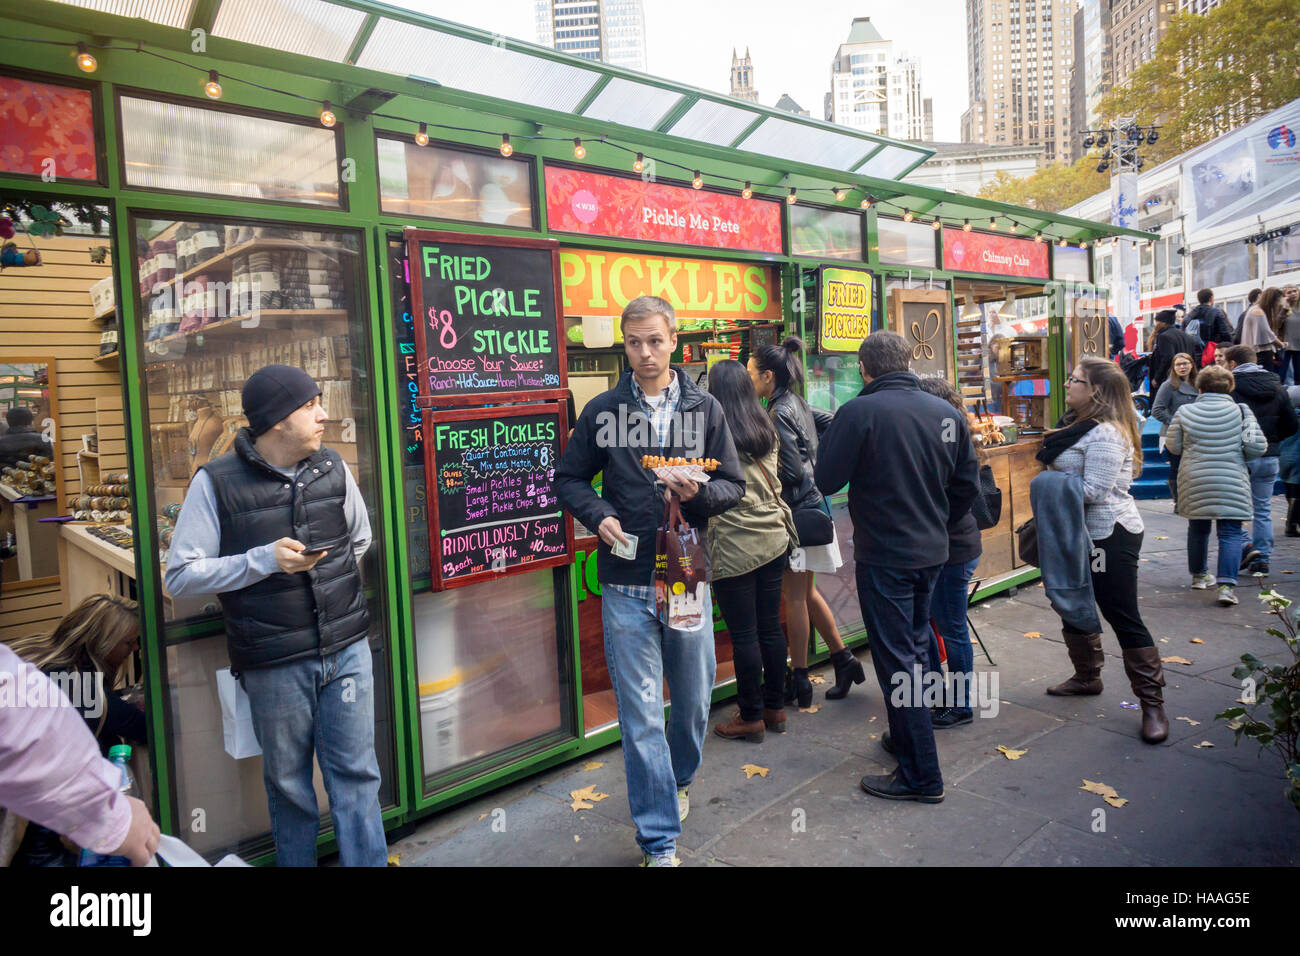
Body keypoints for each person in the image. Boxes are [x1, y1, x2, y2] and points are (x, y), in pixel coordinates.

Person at [165, 364, 386, 867]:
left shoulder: (333, 468)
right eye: (310, 405)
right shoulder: (215, 483)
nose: (323, 414)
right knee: (289, 787)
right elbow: (180, 576)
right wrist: (263, 561)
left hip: (347, 648)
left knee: (357, 777)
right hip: (275, 661)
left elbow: (360, 540)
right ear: (277, 420)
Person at [554, 295, 743, 867]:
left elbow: (732, 485)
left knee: (689, 704)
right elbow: (568, 478)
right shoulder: (605, 409)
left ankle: (679, 777)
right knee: (639, 714)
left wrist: (699, 494)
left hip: (685, 577)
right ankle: (659, 843)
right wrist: (599, 515)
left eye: (654, 341)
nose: (644, 353)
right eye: (633, 342)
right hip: (626, 581)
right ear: (624, 343)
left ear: (674, 340)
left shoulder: (705, 407)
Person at [815, 331, 979, 803]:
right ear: (908, 361)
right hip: (931, 552)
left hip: (885, 555)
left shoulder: (859, 412)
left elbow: (827, 478)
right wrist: (938, 520)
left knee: (897, 660)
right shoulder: (945, 412)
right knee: (915, 646)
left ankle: (922, 774)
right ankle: (908, 737)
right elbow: (967, 485)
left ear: (865, 370)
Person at [1041, 356, 1169, 743]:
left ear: (1095, 390)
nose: (1067, 384)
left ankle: (1152, 705)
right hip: (1072, 532)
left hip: (1107, 534)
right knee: (1072, 602)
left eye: (1074, 379)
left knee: (1121, 613)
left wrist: (1046, 485)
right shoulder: (1074, 425)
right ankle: (1086, 678)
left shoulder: (1107, 434)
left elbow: (1092, 492)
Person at [748, 338, 861, 705]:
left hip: (797, 513)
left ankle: (800, 678)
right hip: (813, 506)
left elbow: (792, 471)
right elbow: (834, 422)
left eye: (751, 372)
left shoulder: (778, 411)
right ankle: (843, 659)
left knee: (793, 597)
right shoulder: (795, 403)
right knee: (806, 593)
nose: (749, 378)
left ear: (767, 376)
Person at [5, 594, 146, 866]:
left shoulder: (38, 649)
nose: (135, 648)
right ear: (103, 644)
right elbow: (145, 729)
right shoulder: (83, 688)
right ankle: (43, 854)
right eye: (128, 642)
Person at [705, 359, 797, 743]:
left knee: (743, 633)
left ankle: (751, 715)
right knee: (770, 627)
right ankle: (775, 707)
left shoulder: (712, 432)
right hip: (773, 536)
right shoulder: (766, 425)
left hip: (734, 539)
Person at [1165, 364, 1266, 607]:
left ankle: (1199, 576)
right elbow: (1256, 447)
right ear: (1229, 387)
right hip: (1231, 479)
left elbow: (1173, 446)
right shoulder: (1242, 412)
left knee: (1198, 529)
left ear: (1200, 386)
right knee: (1230, 532)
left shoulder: (1185, 412)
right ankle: (1226, 586)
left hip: (1195, 478)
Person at [916, 377, 984, 727]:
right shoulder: (949, 431)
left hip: (954, 549)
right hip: (951, 545)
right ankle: (940, 694)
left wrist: (940, 521)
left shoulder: (945, 437)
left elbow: (964, 489)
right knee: (932, 622)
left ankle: (959, 705)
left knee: (951, 627)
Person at [1223, 344, 1299, 576]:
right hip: (1269, 455)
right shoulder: (1277, 386)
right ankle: (1262, 559)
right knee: (1263, 509)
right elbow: (1290, 424)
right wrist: (1272, 441)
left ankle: (1246, 546)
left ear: (1233, 364)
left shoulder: (1230, 387)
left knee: (1233, 508)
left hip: (1240, 456)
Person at [1150, 353, 1199, 501]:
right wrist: (1177, 422)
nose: (1182, 367)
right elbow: (1157, 410)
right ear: (1173, 367)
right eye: (1178, 364)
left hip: (1196, 433)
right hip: (1175, 434)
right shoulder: (1168, 385)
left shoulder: (1200, 383)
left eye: (1185, 363)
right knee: (1177, 468)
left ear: (1192, 365)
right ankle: (1179, 501)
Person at [1148, 309, 1201, 389]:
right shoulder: (1186, 336)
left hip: (1170, 379)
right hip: (1187, 378)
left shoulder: (1163, 336)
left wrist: (1157, 378)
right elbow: (1193, 357)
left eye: (1157, 322)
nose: (1155, 325)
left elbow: (1167, 358)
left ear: (1163, 323)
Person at [1237, 288, 1286, 373]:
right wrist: (1281, 344)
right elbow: (1266, 334)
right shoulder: (1257, 311)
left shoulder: (1256, 310)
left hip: (1257, 353)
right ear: (1272, 300)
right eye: (1278, 302)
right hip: (1260, 353)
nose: (1278, 305)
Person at [1279, 383, 1300, 537]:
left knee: (1289, 490)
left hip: (1284, 459)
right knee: (1297, 493)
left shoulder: (1283, 417)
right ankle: (1292, 524)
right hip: (1298, 459)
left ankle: (1292, 520)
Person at [1279, 286, 1300, 386]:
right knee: (1282, 375)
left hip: (1298, 345)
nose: (1293, 293)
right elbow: (1277, 324)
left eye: (1295, 291)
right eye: (1289, 292)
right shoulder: (1283, 309)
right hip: (1285, 345)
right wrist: (1284, 307)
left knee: (1298, 376)